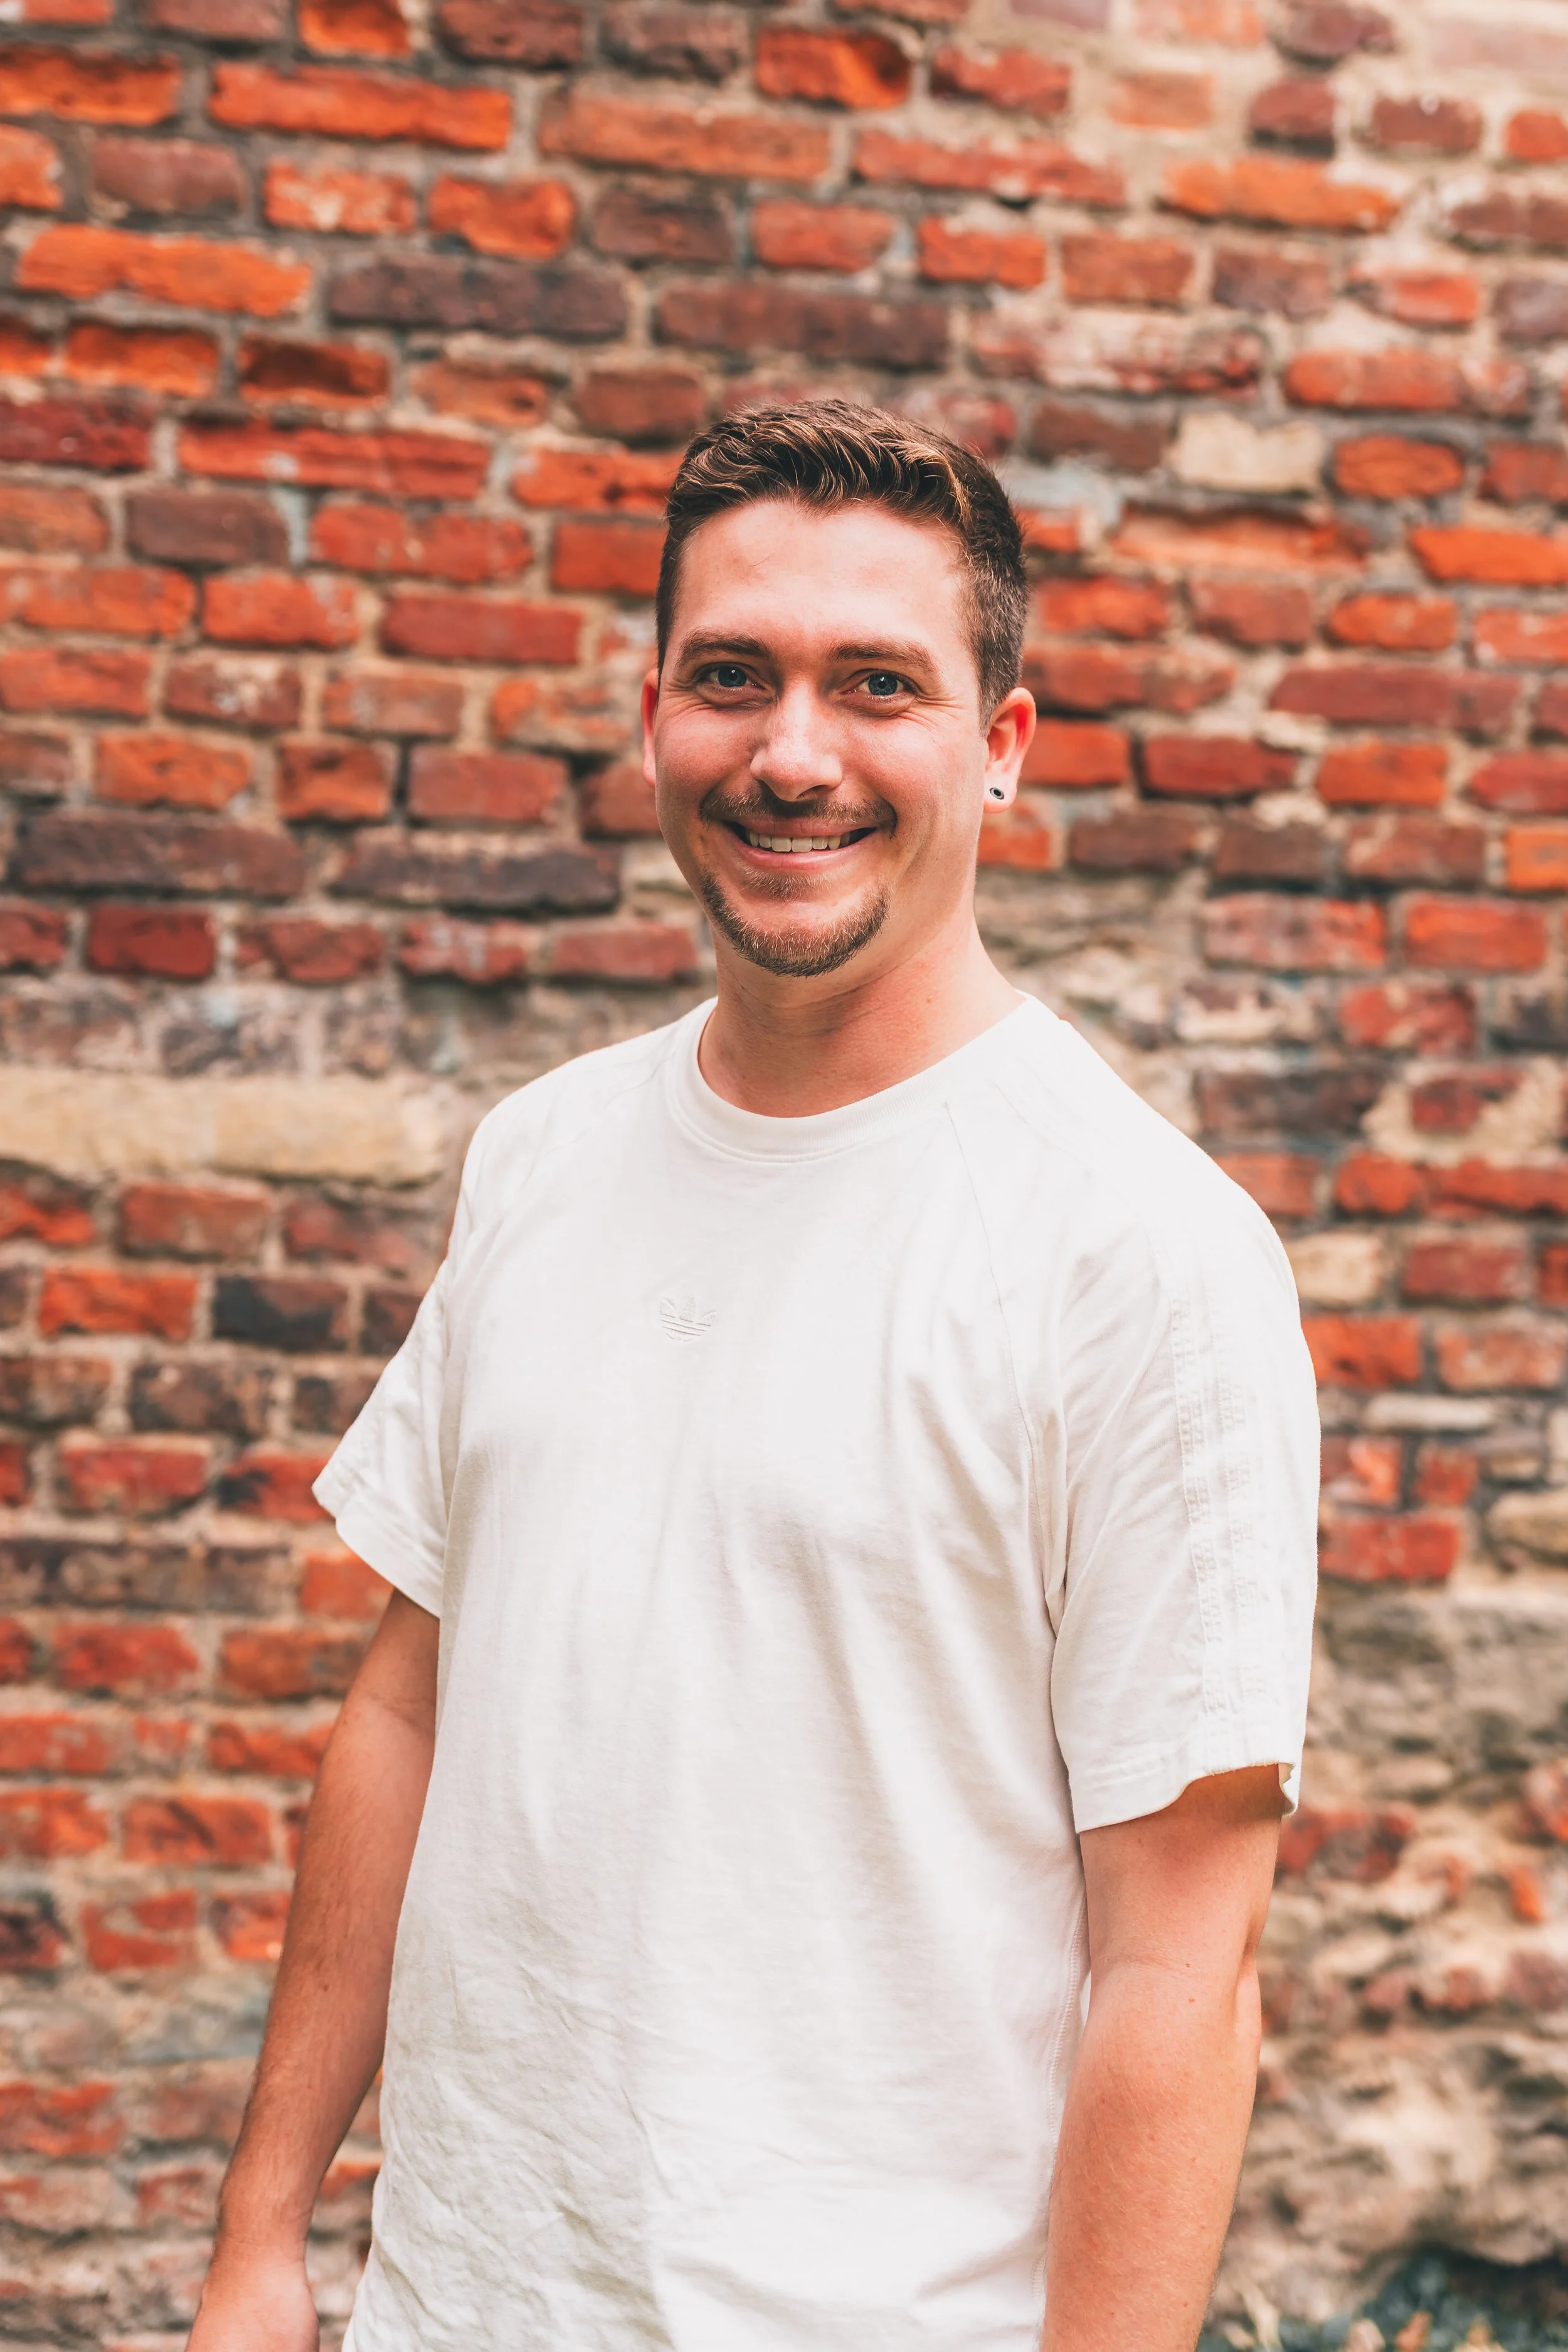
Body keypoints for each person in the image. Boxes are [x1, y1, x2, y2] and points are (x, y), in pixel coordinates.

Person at [188, 400, 1318, 2352]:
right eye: (735, 677)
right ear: (653, 718)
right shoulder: (540, 1152)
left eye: (875, 684)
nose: (791, 752)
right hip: (453, 2308)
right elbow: (407, 1701)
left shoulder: (1138, 1249)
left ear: (1000, 743)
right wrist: (262, 2236)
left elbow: (1179, 1962)